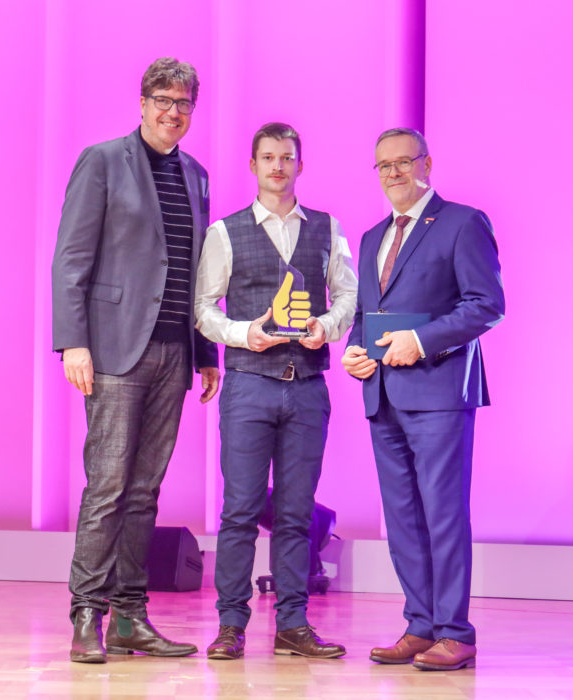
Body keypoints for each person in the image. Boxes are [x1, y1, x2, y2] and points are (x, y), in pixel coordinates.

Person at [51, 57, 220, 664]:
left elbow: (200, 273)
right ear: (143, 101)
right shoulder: (102, 161)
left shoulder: (197, 175)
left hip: (176, 350)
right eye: (162, 99)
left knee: (146, 491)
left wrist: (206, 352)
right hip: (116, 347)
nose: (173, 111)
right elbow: (71, 258)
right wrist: (74, 341)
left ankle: (129, 617)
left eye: (184, 103)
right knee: (109, 485)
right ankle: (85, 615)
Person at [341, 127, 505, 671]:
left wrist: (421, 341)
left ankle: (456, 631)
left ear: (426, 163)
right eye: (383, 165)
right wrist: (354, 352)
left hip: (438, 392)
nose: (393, 173)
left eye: (403, 162)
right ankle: (421, 624)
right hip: (382, 394)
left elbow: (486, 304)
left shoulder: (462, 222)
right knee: (404, 516)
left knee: (442, 513)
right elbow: (366, 315)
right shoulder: (370, 238)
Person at [194, 122, 357, 660]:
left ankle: (293, 623)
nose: (278, 167)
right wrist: (244, 334)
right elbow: (203, 308)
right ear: (254, 165)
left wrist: (327, 328)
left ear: (299, 166)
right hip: (248, 386)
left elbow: (346, 299)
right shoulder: (226, 232)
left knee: (295, 512)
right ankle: (231, 625)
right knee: (240, 511)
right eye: (268, 157)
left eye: (287, 158)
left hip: (308, 386)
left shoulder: (328, 229)